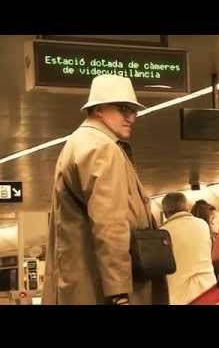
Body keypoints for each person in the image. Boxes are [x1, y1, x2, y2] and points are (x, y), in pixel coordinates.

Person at [42, 74, 168, 305]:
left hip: (81, 285)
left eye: (134, 110)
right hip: (101, 291)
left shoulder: (79, 142)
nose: (132, 116)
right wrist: (119, 294)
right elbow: (110, 225)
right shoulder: (101, 148)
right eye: (123, 108)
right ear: (99, 109)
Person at [161, 193, 217, 305]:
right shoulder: (203, 225)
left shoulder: (162, 233)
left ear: (165, 212)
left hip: (181, 297)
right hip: (209, 289)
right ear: (186, 208)